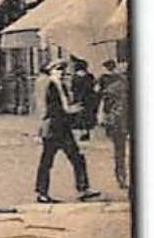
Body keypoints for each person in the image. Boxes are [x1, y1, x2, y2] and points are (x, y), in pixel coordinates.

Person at [35, 61, 101, 204]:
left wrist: (72, 109)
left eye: (63, 70)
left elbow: (65, 106)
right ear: (51, 71)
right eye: (58, 69)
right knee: (48, 161)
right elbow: (57, 108)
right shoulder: (50, 85)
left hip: (62, 128)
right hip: (53, 129)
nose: (62, 72)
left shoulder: (60, 85)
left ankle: (83, 189)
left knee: (76, 158)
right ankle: (42, 193)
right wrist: (73, 110)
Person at [99, 59, 132, 190]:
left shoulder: (111, 88)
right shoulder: (113, 88)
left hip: (119, 124)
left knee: (120, 153)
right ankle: (122, 178)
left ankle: (122, 178)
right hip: (120, 123)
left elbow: (105, 107)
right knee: (120, 152)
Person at [71, 58, 100, 141]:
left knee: (80, 116)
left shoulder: (75, 77)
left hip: (79, 99)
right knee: (88, 116)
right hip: (89, 99)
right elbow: (93, 87)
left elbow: (73, 89)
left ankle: (82, 133)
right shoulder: (90, 76)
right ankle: (87, 132)